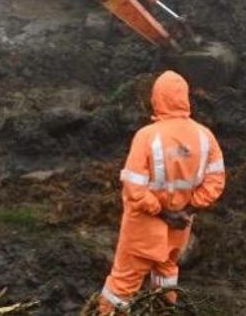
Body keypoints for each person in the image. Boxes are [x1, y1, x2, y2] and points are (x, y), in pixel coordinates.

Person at [97, 71, 225, 314]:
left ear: (156, 98)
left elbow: (134, 187)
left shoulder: (147, 136)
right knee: (166, 274)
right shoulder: (205, 136)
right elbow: (215, 182)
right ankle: (163, 311)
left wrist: (163, 212)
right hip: (180, 226)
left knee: (122, 283)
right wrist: (186, 210)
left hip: (143, 226)